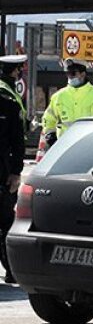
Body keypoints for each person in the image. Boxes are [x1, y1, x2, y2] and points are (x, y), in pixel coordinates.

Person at [0, 55, 28, 284]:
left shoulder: (8, 99)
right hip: (4, 171)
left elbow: (17, 140)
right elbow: (18, 141)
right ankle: (11, 269)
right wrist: (15, 172)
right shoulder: (9, 98)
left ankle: (11, 269)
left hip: (3, 169)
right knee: (5, 221)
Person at [41, 62, 93, 149]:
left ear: (83, 74)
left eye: (73, 73)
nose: (70, 77)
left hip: (90, 146)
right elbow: (48, 120)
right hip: (63, 147)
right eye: (67, 73)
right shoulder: (58, 96)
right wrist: (51, 136)